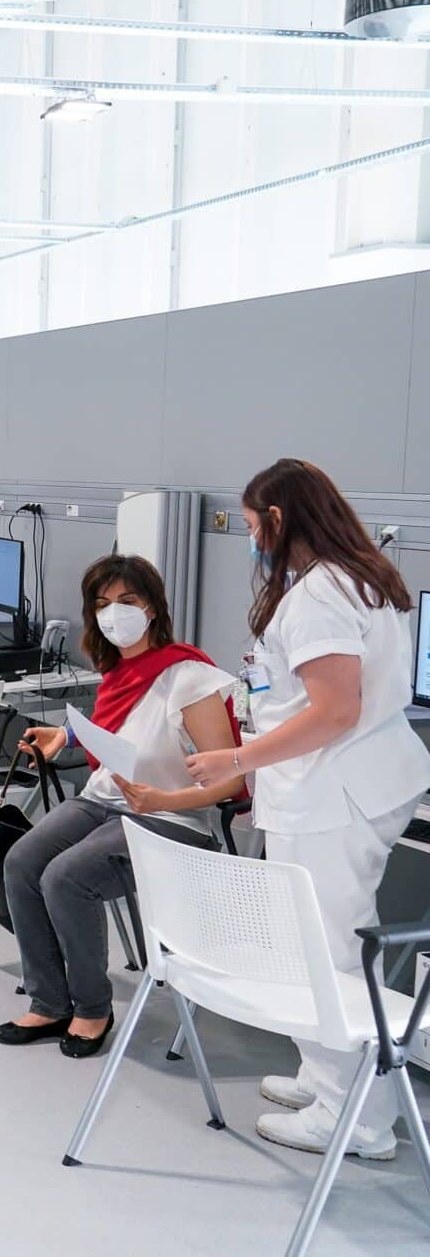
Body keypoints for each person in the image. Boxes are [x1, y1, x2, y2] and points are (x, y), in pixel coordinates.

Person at [184, 458, 430, 1160]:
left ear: (280, 518)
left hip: (333, 794)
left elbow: (334, 710)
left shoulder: (322, 592)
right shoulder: (359, 576)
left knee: (327, 950)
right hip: (346, 786)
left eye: (255, 522)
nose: (252, 536)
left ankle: (356, 1118)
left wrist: (236, 759)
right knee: (324, 942)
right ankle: (328, 1082)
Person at [0, 554, 245, 1059]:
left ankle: (93, 1009)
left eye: (126, 602)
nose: (113, 614)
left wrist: (164, 798)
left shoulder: (190, 677)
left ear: (152, 607)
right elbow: (118, 728)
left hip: (170, 818)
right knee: (22, 861)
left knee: (66, 877)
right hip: (104, 802)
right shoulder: (118, 669)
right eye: (103, 604)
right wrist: (64, 734)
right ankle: (48, 1001)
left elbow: (231, 780)